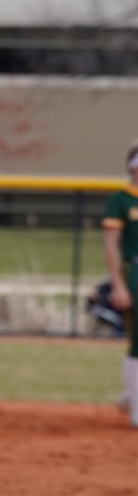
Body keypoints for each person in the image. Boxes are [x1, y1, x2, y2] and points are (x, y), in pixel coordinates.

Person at [104, 142, 138, 427]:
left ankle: (131, 395)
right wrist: (119, 284)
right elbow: (112, 244)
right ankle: (137, 409)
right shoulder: (121, 200)